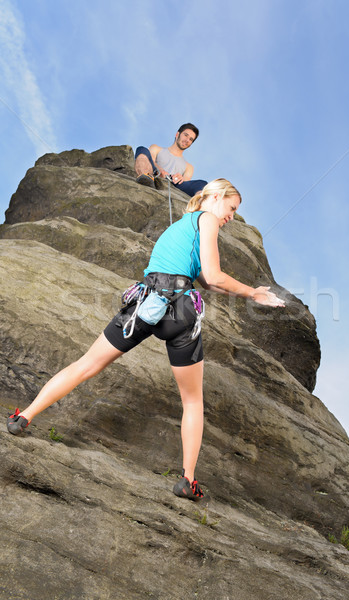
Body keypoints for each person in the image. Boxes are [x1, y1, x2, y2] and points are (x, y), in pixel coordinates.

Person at [7, 179, 285, 501]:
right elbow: (214, 275)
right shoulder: (207, 220)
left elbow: (209, 281)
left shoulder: (180, 227)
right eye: (232, 208)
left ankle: (23, 416)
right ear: (215, 196)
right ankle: (187, 480)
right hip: (179, 310)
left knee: (86, 365)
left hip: (146, 303)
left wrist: (249, 294)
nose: (232, 217)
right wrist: (253, 293)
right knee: (192, 401)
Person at [135, 123, 208, 197]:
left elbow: (186, 183)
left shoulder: (189, 167)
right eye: (186, 135)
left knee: (202, 183)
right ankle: (146, 179)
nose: (187, 140)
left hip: (174, 184)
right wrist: (160, 170)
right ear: (177, 134)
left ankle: (199, 202)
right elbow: (151, 160)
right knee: (142, 149)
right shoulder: (156, 148)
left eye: (191, 139)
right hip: (155, 175)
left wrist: (181, 178)